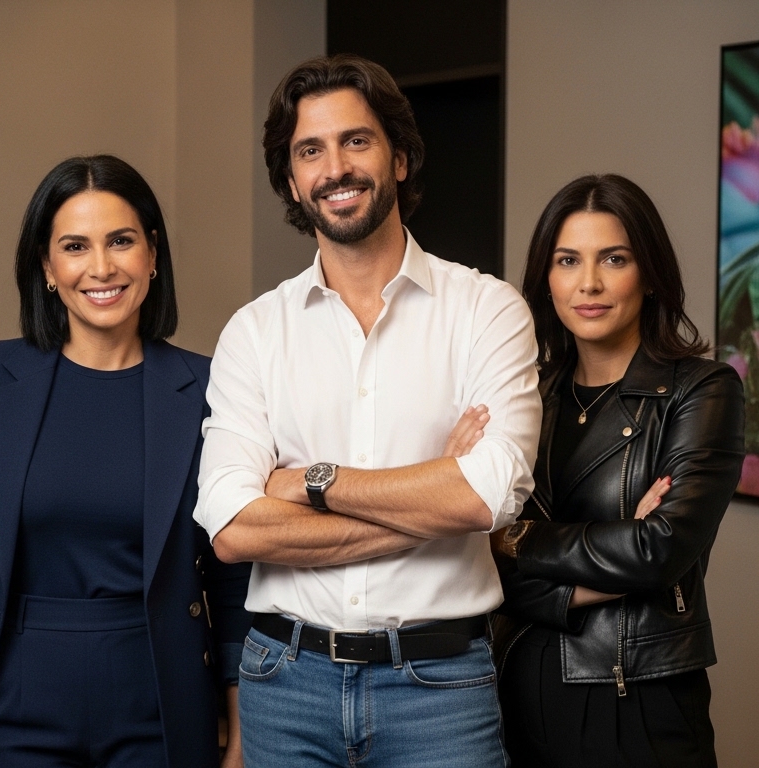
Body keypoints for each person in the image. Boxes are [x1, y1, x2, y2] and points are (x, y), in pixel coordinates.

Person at [193, 54, 543, 767]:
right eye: (310, 150)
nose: (335, 167)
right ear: (291, 180)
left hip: (439, 688)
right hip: (284, 683)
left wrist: (311, 482)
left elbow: (489, 494)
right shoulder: (255, 333)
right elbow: (231, 527)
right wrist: (433, 486)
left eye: (357, 140)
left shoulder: (487, 310)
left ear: (401, 158)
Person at [0, 155, 252, 768]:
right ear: (47, 267)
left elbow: (235, 580)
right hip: (10, 704)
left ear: (152, 254)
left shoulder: (209, 386)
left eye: (121, 241)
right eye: (75, 246)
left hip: (160, 703)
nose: (101, 267)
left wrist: (239, 734)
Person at [491, 174, 743, 767]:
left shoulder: (702, 391)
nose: (590, 283)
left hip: (640, 702)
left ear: (649, 272)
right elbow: (476, 566)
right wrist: (614, 554)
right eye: (567, 261)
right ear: (545, 280)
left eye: (614, 258)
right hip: (518, 689)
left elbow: (659, 552)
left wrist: (514, 537)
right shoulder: (525, 396)